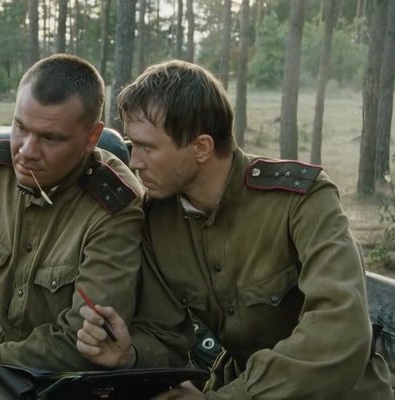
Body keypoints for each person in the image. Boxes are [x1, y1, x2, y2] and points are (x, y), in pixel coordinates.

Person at [76, 60, 394, 399]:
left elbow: (340, 329)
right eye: (132, 144)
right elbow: (164, 334)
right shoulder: (158, 219)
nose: (134, 161)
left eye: (147, 147)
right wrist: (130, 354)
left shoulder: (301, 201)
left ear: (201, 148)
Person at [0, 54, 145, 396]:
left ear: (91, 137)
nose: (26, 151)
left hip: (71, 379)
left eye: (50, 138)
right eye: (20, 128)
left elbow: (81, 343)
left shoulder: (115, 207)